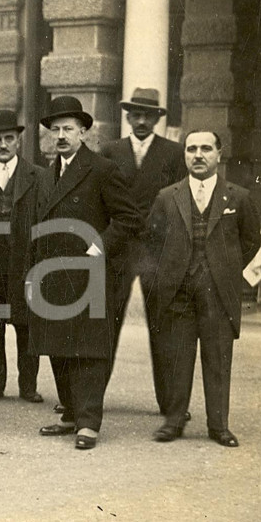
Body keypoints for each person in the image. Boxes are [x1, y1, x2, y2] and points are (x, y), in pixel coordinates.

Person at [29, 96, 141, 450]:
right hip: (52, 276)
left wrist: (98, 247)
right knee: (58, 347)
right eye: (55, 130)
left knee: (88, 349)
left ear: (83, 132)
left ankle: (88, 422)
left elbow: (129, 219)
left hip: (89, 274)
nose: (61, 136)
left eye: (68, 129)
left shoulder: (102, 170)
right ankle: (70, 414)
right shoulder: (47, 175)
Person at [144, 131, 261, 446]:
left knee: (218, 359)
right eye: (191, 149)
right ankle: (173, 421)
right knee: (176, 359)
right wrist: (168, 274)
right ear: (184, 154)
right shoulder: (167, 197)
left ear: (219, 155)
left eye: (206, 149)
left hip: (217, 293)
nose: (198, 155)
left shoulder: (238, 197)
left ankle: (218, 426)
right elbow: (152, 240)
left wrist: (225, 269)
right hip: (178, 293)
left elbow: (251, 240)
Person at [100, 87, 187, 415]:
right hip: (119, 249)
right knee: (106, 324)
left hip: (156, 251)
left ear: (156, 119)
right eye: (135, 114)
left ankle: (171, 404)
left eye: (147, 116)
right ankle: (90, 398)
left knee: (163, 327)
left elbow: (181, 203)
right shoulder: (110, 151)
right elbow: (101, 200)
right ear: (127, 117)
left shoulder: (174, 153)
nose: (140, 121)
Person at [0, 110, 44, 403]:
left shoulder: (37, 176)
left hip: (25, 262)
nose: (3, 145)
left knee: (26, 325)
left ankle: (28, 385)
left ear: (18, 141)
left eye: (8, 138)